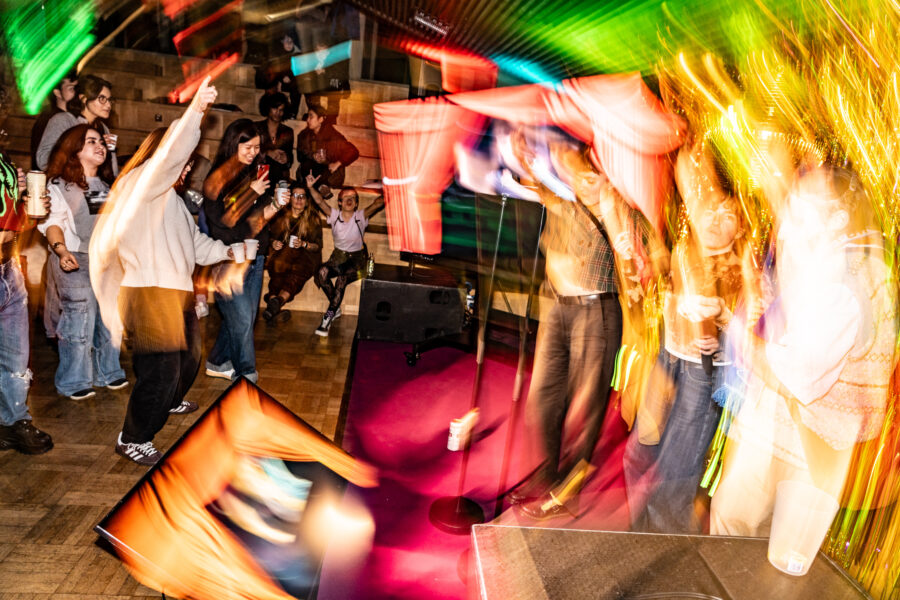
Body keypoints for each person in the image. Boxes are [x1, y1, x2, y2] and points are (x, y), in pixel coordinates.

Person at [709, 165, 897, 536]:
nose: (785, 223)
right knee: (753, 543)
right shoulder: (843, 260)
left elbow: (789, 373)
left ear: (838, 219)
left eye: (800, 210)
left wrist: (731, 324)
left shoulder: (844, 285)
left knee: (740, 536)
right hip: (797, 439)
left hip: (802, 446)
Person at [91, 77, 233, 466]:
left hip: (174, 292)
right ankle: (132, 437)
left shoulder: (169, 198)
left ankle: (167, 401)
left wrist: (231, 250)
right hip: (149, 292)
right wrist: (196, 111)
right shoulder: (141, 183)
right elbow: (170, 157)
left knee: (188, 359)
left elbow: (195, 244)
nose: (186, 169)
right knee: (160, 372)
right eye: (182, 162)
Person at [623, 143, 752, 533]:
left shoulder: (742, 266)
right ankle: (644, 532)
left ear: (742, 223)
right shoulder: (684, 247)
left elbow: (755, 328)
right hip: (669, 357)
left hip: (704, 374)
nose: (714, 221)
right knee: (637, 454)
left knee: (674, 479)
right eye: (708, 208)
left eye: (727, 214)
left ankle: (662, 547)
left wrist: (724, 332)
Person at [508, 143, 626, 520]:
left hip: (596, 312)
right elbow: (534, 185)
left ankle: (566, 495)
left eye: (592, 177)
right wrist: (526, 162)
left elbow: (640, 253)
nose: (582, 182)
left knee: (584, 411)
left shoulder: (619, 209)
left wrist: (609, 204)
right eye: (578, 175)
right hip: (557, 307)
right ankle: (547, 475)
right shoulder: (564, 197)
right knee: (542, 400)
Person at [37, 124, 126, 400]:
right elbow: (52, 223)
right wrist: (62, 251)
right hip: (75, 258)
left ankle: (107, 372)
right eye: (91, 141)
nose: (100, 146)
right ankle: (73, 380)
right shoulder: (59, 186)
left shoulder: (109, 186)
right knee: (79, 318)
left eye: (101, 142)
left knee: (110, 317)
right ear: (75, 150)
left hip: (107, 260)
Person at [202, 118, 284, 383]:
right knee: (241, 319)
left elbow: (255, 222)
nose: (252, 153)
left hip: (255, 256)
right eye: (247, 147)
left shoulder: (255, 174)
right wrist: (251, 192)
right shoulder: (216, 179)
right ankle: (247, 374)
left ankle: (217, 362)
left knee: (243, 318)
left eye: (256, 147)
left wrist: (275, 206)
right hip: (228, 258)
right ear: (233, 145)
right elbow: (225, 223)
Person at [0, 82, 54, 454]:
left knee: (15, 358)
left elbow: (11, 221)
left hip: (8, 268)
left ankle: (13, 422)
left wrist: (29, 206)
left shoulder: (2, 159)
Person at [307, 178, 383, 337]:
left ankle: (327, 318)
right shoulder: (334, 215)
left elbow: (377, 204)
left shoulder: (360, 216)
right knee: (321, 273)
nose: (349, 200)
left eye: (353, 198)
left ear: (356, 203)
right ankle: (335, 308)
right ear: (340, 202)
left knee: (341, 280)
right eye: (345, 198)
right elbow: (320, 202)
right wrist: (310, 187)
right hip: (338, 258)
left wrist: (390, 189)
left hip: (357, 262)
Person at [262, 183, 323, 323]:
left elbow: (317, 247)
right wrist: (273, 243)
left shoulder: (313, 218)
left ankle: (274, 301)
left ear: (307, 200)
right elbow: (268, 236)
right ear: (290, 198)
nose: (299, 199)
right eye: (295, 195)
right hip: (283, 255)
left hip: (306, 256)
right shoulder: (280, 215)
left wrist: (304, 244)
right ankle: (275, 305)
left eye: (302, 196)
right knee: (279, 263)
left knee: (298, 268)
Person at [35, 74, 118, 174]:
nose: (108, 105)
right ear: (84, 99)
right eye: (102, 99)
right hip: (68, 182)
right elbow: (43, 160)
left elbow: (112, 172)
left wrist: (110, 151)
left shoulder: (103, 128)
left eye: (110, 100)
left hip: (94, 183)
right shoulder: (63, 120)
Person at [296, 104, 358, 199]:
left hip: (328, 173)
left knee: (324, 170)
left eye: (311, 117)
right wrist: (313, 156)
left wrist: (338, 163)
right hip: (310, 171)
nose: (307, 120)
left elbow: (353, 151)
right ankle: (321, 187)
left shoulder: (333, 136)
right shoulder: (304, 135)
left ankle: (320, 186)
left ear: (321, 119)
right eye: (307, 116)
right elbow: (300, 156)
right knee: (307, 165)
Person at [30, 72, 77, 168]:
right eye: (71, 88)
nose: (76, 93)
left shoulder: (73, 117)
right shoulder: (51, 118)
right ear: (57, 93)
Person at [254, 92, 295, 186]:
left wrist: (286, 158)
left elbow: (290, 156)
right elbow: (252, 152)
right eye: (275, 108)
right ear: (268, 108)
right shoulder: (257, 127)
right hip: (260, 170)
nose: (278, 113)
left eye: (281, 110)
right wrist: (268, 153)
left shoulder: (288, 131)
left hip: (279, 172)